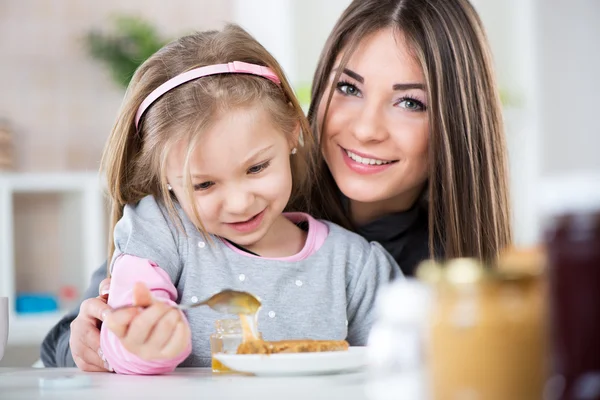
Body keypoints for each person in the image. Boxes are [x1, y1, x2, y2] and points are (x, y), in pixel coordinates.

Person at [41, 0, 512, 371]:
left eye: (410, 102)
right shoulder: (201, 216)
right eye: (348, 88)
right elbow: (68, 340)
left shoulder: (436, 276)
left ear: (457, 122)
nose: (367, 129)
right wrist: (92, 344)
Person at [83, 24, 399, 374]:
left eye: (257, 168)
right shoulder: (162, 232)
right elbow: (128, 320)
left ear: (292, 131)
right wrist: (144, 343)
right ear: (165, 180)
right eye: (203, 185)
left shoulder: (355, 266)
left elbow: (400, 365)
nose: (237, 203)